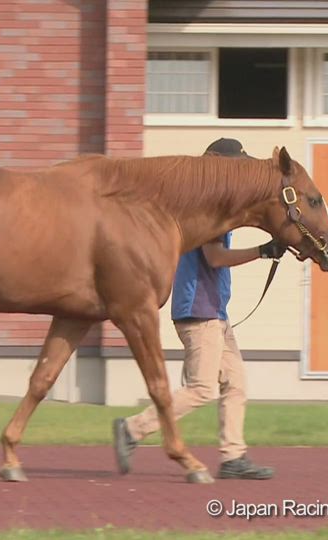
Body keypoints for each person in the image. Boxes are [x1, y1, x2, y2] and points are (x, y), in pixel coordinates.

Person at [112, 138, 285, 480]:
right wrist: (263, 251)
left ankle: (233, 457)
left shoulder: (217, 208)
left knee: (235, 384)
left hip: (215, 312)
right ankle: (133, 429)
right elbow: (215, 258)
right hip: (200, 312)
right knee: (202, 389)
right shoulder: (207, 211)